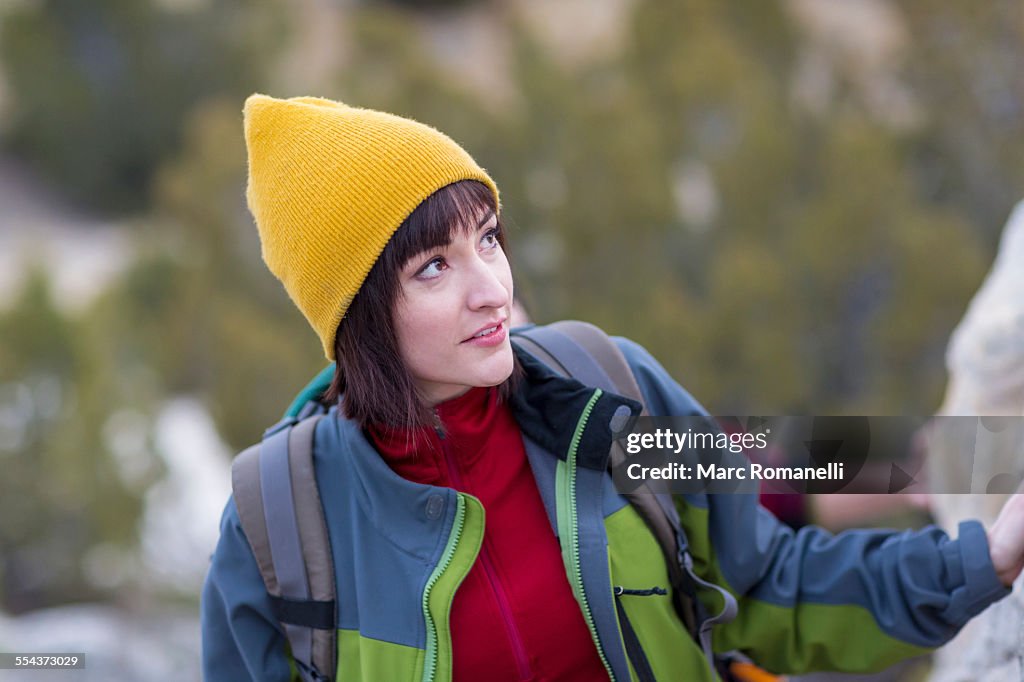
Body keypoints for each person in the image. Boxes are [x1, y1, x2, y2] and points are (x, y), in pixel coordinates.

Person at [201, 94, 1024, 682]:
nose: (492, 290)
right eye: (434, 266)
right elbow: (796, 468)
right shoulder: (280, 525)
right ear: (359, 318)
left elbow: (772, 526)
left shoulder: (607, 390)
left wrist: (985, 537)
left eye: (490, 240)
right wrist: (943, 463)